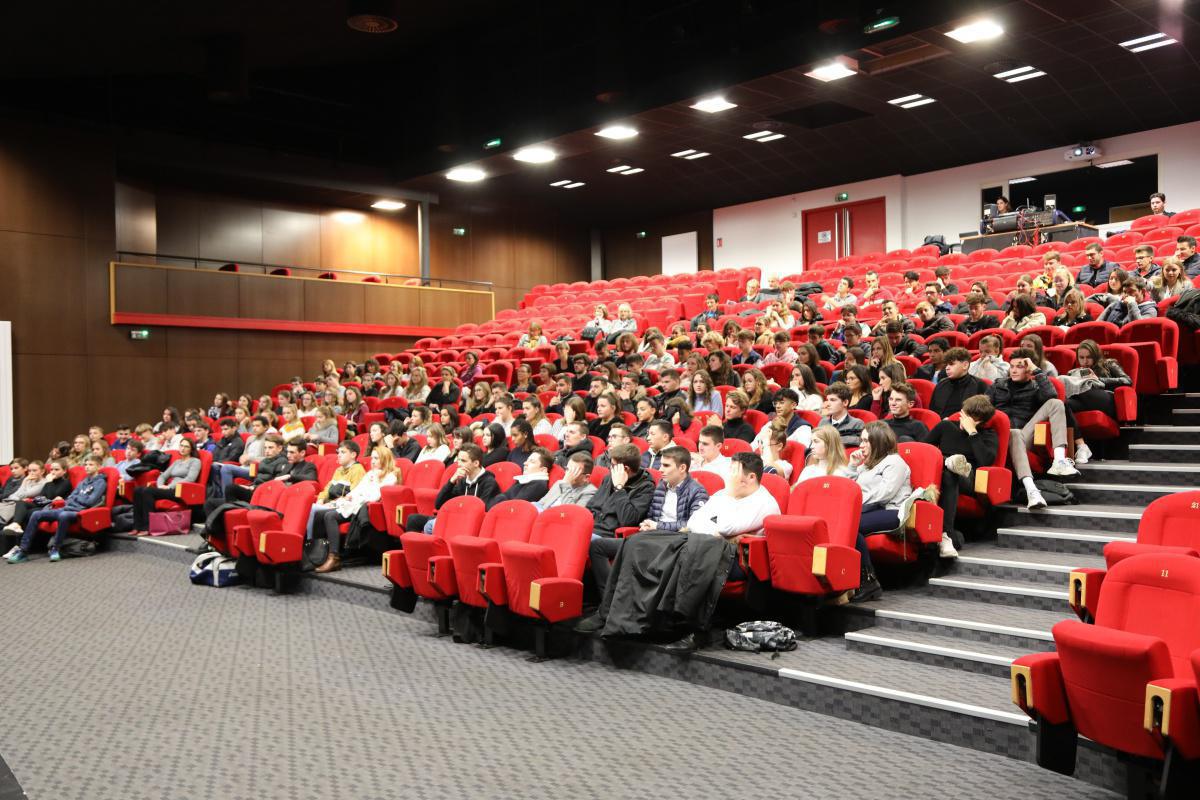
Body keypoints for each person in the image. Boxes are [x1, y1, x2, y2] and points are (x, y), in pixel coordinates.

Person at [576, 452, 778, 650]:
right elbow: (696, 521)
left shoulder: (763, 502)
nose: (728, 476)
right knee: (638, 542)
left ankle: (680, 628)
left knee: (683, 556)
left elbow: (725, 526)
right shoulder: (722, 495)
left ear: (751, 477)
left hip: (730, 557)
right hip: (697, 541)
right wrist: (716, 529)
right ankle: (611, 612)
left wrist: (718, 529)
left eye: (733, 471)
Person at [987, 350, 1080, 509]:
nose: (1014, 370)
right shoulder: (997, 385)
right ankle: (1032, 490)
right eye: (1012, 366)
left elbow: (1051, 395)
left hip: (1024, 435)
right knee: (1012, 433)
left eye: (1020, 367)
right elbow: (983, 408)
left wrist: (1037, 372)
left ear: (1028, 369)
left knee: (1056, 404)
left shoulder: (1036, 386)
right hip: (1000, 437)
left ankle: (1059, 460)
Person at [925, 395, 1000, 558]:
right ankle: (948, 462)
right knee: (947, 471)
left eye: (972, 419)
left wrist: (972, 432)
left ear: (981, 422)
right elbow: (924, 450)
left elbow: (985, 461)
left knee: (952, 472)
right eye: (965, 415)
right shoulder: (945, 426)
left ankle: (945, 534)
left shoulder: (988, 435)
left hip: (968, 477)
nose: (965, 420)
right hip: (939, 472)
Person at [847, 422, 913, 602]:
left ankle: (868, 581)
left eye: (866, 441)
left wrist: (853, 503)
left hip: (892, 511)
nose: (861, 445)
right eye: (861, 440)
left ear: (879, 442)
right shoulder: (866, 465)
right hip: (870, 510)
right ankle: (849, 580)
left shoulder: (895, 462)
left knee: (852, 527)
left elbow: (885, 494)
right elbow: (849, 488)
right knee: (845, 525)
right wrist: (852, 467)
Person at [5, 455, 107, 563]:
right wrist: (76, 499)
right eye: (85, 464)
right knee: (36, 514)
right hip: (68, 507)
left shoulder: (100, 482)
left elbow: (90, 502)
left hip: (81, 511)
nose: (87, 467)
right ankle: (23, 551)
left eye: (91, 465)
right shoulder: (83, 482)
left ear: (99, 467)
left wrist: (76, 499)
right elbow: (70, 498)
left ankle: (56, 549)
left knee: (63, 515)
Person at [583, 443, 656, 584]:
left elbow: (628, 520)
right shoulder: (608, 478)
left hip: (607, 535)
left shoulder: (646, 486)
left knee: (577, 541)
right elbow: (592, 505)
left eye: (613, 465)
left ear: (625, 469)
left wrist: (619, 488)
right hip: (591, 528)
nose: (610, 468)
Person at [129, 438, 201, 535]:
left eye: (186, 446)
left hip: (180, 491)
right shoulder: (177, 462)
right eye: (181, 445)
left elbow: (190, 479)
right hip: (169, 489)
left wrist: (170, 486)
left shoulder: (195, 461)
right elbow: (163, 476)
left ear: (191, 449)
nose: (183, 448)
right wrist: (160, 485)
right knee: (138, 490)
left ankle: (147, 527)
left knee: (147, 491)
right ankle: (137, 526)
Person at [1065, 339, 1132, 432]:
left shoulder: (1109, 363)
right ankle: (1079, 443)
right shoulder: (1074, 372)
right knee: (1062, 404)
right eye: (1081, 357)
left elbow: (1127, 381)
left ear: (1095, 356)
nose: (1085, 361)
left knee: (1086, 390)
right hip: (1083, 401)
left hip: (1104, 399)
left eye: (1089, 357)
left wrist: (1097, 379)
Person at [487, 447, 552, 509]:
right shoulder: (527, 479)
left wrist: (500, 498)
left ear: (543, 470)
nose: (525, 463)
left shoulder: (539, 485)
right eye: (527, 460)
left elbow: (514, 506)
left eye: (532, 462)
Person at [930, 347, 987, 418]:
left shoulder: (979, 385)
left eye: (951, 364)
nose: (947, 368)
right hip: (941, 424)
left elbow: (982, 414)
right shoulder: (941, 384)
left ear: (965, 365)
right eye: (947, 365)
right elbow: (933, 412)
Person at [0, 460, 45, 527]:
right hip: (12, 501)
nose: (31, 473)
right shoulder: (29, 481)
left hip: (23, 504)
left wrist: (24, 481)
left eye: (34, 470)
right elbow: (14, 495)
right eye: (29, 471)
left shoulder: (43, 483)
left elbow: (23, 495)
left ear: (42, 471)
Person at [819, 382, 864, 447]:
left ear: (845, 402)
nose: (827, 404)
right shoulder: (823, 422)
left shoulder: (857, 424)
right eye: (827, 400)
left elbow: (857, 443)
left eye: (832, 400)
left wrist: (827, 441)